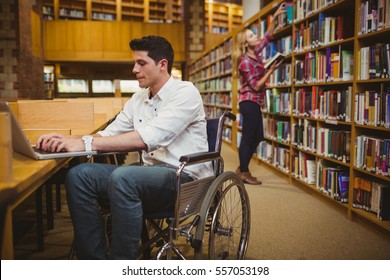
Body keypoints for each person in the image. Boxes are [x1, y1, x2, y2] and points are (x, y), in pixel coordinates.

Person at [36, 35, 213, 259]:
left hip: (183, 178)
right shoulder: (138, 98)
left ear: (162, 65)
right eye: (134, 63)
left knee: (124, 176)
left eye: (141, 63)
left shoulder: (185, 92)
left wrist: (86, 142)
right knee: (79, 175)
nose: (134, 69)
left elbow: (149, 137)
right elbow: (108, 134)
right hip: (147, 175)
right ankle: (95, 261)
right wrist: (67, 140)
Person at [232, 3, 286, 185]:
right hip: (249, 102)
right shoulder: (245, 62)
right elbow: (255, 86)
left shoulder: (255, 53)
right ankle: (244, 171)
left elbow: (268, 36)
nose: (256, 37)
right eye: (252, 36)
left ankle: (242, 168)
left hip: (255, 102)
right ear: (245, 43)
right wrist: (271, 70)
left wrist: (276, 15)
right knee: (249, 136)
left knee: (258, 136)